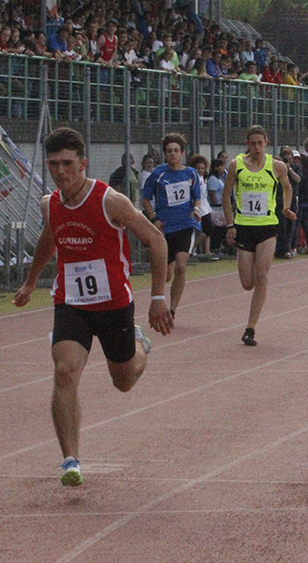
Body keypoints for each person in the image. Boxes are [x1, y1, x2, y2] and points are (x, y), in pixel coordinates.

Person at [13, 127, 173, 486]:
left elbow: (156, 240)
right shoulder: (49, 204)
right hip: (71, 302)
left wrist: (157, 298)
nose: (60, 171)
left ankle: (139, 343)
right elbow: (49, 238)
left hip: (114, 303)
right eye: (53, 164)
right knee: (65, 371)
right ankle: (70, 460)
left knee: (124, 381)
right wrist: (30, 281)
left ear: (83, 163)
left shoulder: (110, 201)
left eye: (67, 163)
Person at [224, 125, 296, 346]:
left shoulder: (277, 166)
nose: (256, 147)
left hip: (267, 226)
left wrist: (286, 208)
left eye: (260, 143)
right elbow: (226, 195)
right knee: (248, 283)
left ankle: (250, 328)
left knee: (262, 275)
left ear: (266, 142)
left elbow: (287, 187)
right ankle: (255, 295)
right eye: (252, 143)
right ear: (247, 143)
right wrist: (230, 224)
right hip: (244, 226)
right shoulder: (236, 165)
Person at [141, 133, 203, 318]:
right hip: (164, 228)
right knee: (166, 275)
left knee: (181, 267)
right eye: (169, 151)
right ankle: (159, 297)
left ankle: (173, 309)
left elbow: (197, 197)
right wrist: (153, 219)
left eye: (176, 151)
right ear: (165, 154)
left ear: (182, 153)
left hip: (185, 225)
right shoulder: (158, 174)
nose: (173, 154)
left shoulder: (191, 173)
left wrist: (196, 210)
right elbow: (145, 199)